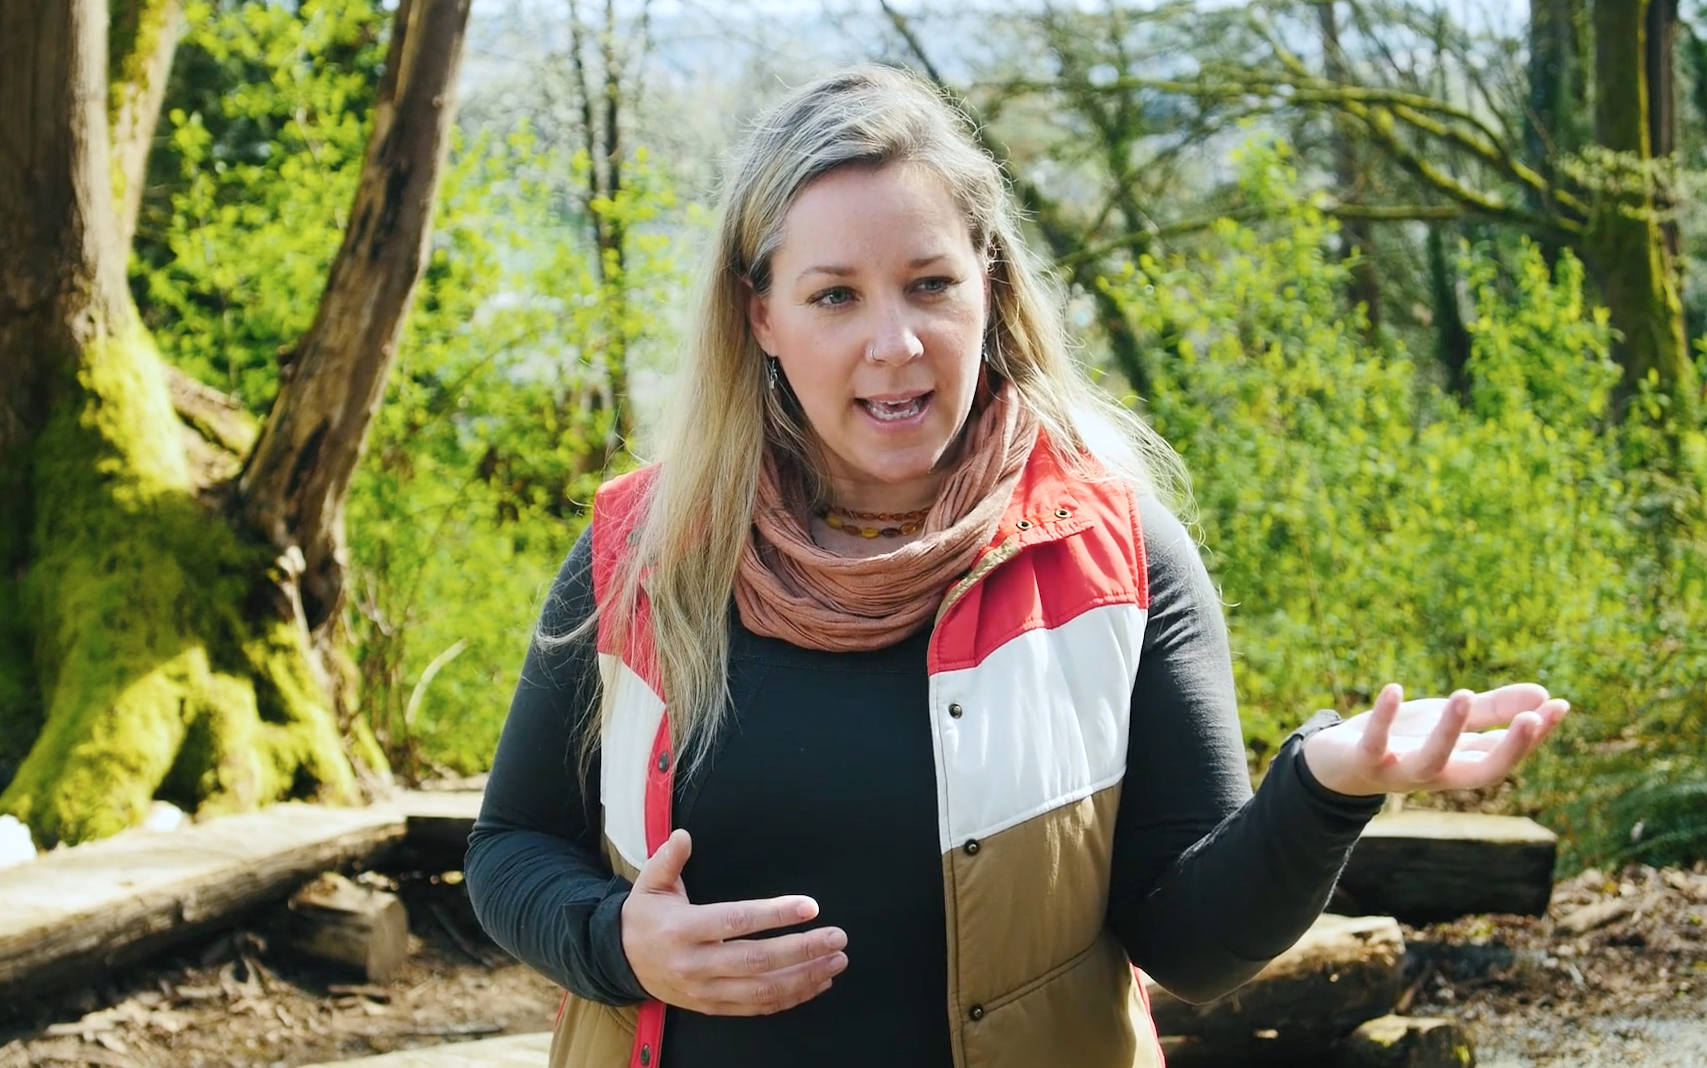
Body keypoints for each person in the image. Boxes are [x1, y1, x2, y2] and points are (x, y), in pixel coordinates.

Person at [463, 65, 1568, 1068]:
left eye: (930, 284)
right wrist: (617, 941)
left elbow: (1191, 946)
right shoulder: (642, 553)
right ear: (762, 318)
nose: (894, 343)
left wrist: (1324, 789)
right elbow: (511, 846)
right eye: (835, 295)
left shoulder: (1119, 556)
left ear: (987, 287)